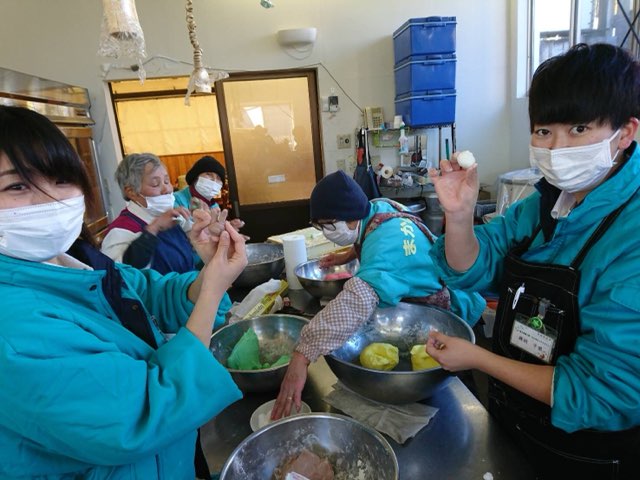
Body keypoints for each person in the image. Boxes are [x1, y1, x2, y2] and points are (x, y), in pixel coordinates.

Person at [425, 43, 640, 479]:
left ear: (625, 133)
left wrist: (479, 359)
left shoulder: (630, 236)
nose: (557, 148)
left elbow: (599, 391)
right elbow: (472, 268)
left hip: (586, 455)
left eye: (578, 129)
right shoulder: (542, 206)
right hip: (515, 425)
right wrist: (460, 215)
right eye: (543, 131)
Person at [0, 105, 248, 479]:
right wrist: (213, 288)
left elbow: (150, 291)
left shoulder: (73, 259)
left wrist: (210, 268)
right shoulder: (13, 330)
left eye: (62, 180)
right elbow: (146, 411)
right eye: (17, 186)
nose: (50, 199)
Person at [272, 170, 486, 419]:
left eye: (328, 224)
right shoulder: (379, 207)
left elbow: (353, 304)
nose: (326, 232)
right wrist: (347, 255)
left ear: (352, 216)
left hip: (453, 316)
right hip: (435, 300)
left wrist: (302, 355)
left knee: (458, 401)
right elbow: (370, 234)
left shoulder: (386, 252)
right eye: (319, 226)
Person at [101, 153, 232, 327]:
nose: (167, 189)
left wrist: (210, 235)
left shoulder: (175, 217)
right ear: (131, 191)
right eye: (156, 184)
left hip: (192, 303)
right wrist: (153, 229)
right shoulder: (121, 230)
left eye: (167, 181)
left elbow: (194, 251)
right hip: (165, 320)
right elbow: (122, 282)